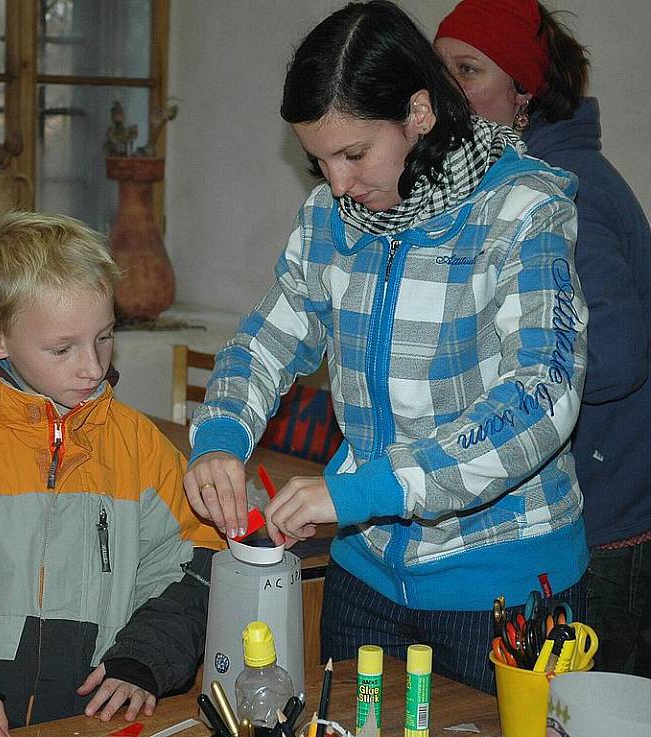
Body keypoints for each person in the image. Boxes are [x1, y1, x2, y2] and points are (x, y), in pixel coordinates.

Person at [183, 0, 589, 694]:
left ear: (420, 113)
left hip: (497, 587)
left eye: (353, 154)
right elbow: (264, 342)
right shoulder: (330, 219)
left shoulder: (523, 209)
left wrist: (364, 488)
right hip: (365, 576)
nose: (337, 183)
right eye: (319, 160)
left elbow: (540, 399)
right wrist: (220, 435)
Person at [0, 211, 224, 737]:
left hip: (97, 718)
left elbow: (194, 567)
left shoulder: (140, 448)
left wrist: (142, 659)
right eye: (62, 349)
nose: (93, 368)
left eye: (104, 337)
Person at [435, 0, 651, 678]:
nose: (446, 91)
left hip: (610, 524)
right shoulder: (521, 181)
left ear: (524, 95)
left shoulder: (568, 195)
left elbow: (616, 358)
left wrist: (510, 382)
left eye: (467, 71)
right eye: (438, 69)